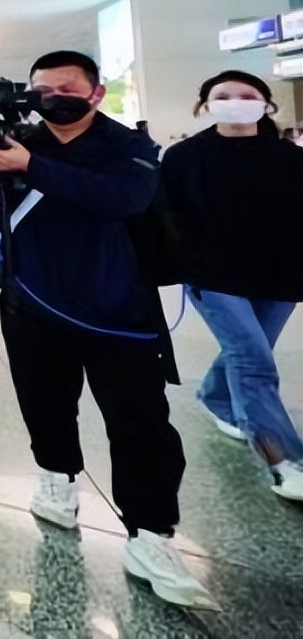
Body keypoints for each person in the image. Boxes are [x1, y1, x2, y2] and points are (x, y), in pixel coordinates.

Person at [0, 50, 217, 611]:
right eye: (41, 90)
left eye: (65, 88)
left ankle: (150, 532)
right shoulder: (23, 137)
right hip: (32, 303)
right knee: (45, 405)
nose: (52, 98)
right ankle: (57, 482)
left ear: (95, 94)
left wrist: (30, 167)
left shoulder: (127, 146)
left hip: (118, 310)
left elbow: (123, 197)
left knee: (140, 423)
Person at [160, 70, 303, 501]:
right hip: (213, 276)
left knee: (252, 348)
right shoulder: (184, 156)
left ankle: (217, 397)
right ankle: (284, 461)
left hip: (281, 274)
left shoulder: (291, 158)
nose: (235, 101)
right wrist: (184, 263)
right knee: (253, 361)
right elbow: (168, 217)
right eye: (223, 95)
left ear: (266, 105)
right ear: (204, 104)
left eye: (247, 95)